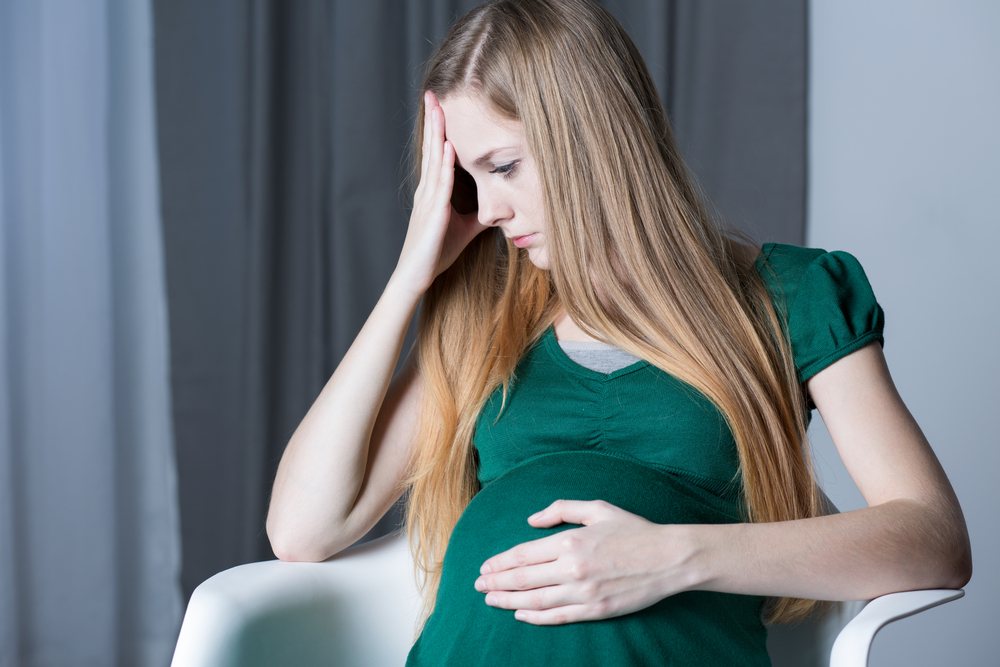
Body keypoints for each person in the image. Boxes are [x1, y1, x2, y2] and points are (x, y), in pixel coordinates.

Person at [266, 0, 971, 664]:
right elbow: (303, 528)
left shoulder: (788, 295)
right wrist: (409, 279)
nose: (488, 210)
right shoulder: (484, 322)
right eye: (467, 182)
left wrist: (670, 556)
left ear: (588, 135)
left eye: (504, 167)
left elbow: (934, 539)